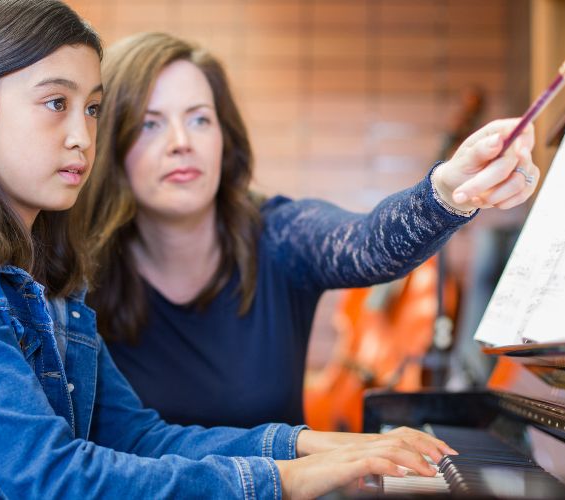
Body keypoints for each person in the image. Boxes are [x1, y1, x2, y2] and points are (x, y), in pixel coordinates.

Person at [0, 1, 455, 498]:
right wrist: (284, 480)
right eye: (56, 104)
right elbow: (50, 479)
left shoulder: (51, 279)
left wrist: (307, 445)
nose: (83, 136)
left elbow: (139, 438)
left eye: (93, 109)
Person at [79, 32, 539, 429]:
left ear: (224, 137)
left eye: (200, 119)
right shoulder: (78, 273)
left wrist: (446, 191)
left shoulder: (279, 235)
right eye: (150, 124)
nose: (182, 142)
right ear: (112, 142)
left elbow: (369, 244)